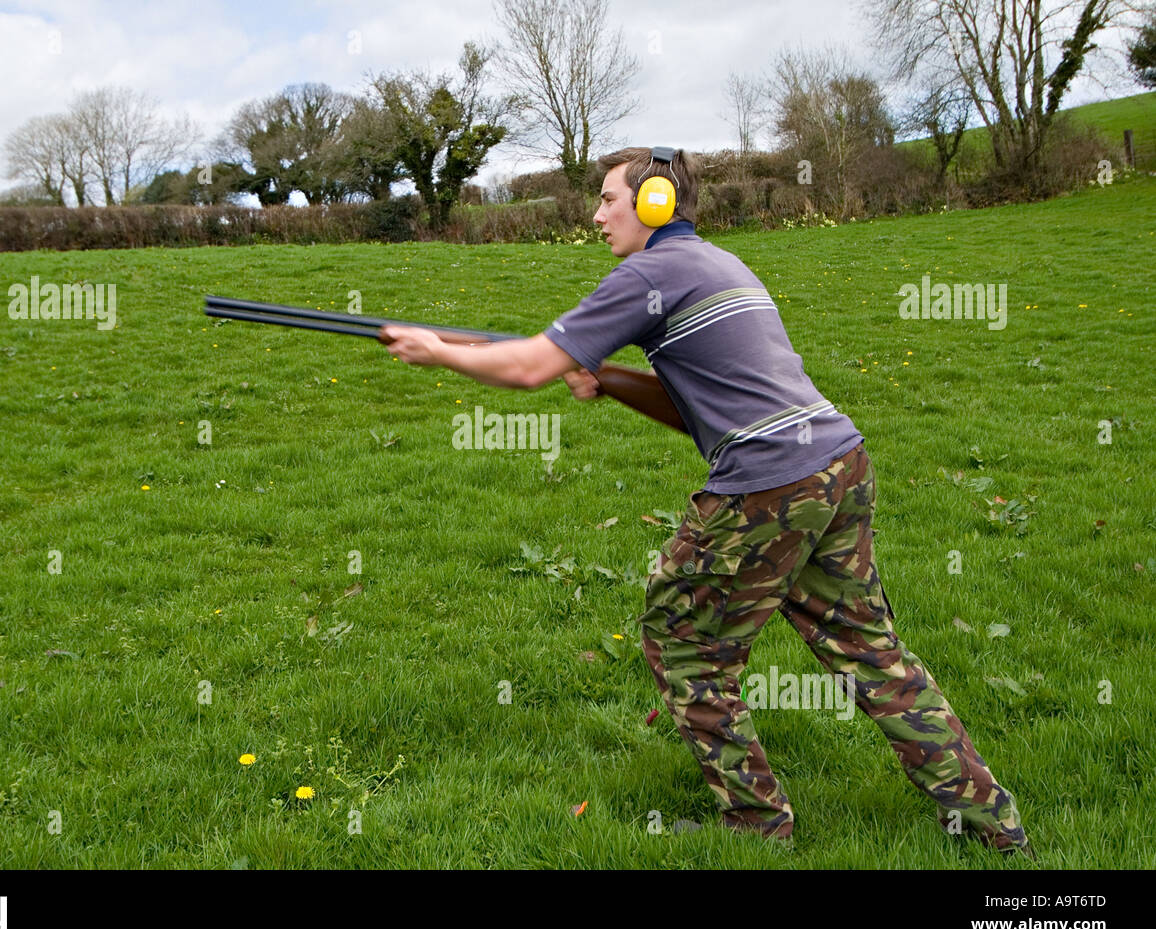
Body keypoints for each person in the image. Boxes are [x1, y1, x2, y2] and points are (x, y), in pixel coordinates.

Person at [381, 146, 1032, 858]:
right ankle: (995, 821)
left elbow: (531, 364)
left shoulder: (648, 272)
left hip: (768, 486)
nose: (596, 216)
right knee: (871, 651)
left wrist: (436, 348)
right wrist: (610, 379)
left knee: (684, 643)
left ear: (655, 201)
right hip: (839, 464)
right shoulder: (722, 263)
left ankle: (758, 822)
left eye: (607, 200)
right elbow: (704, 403)